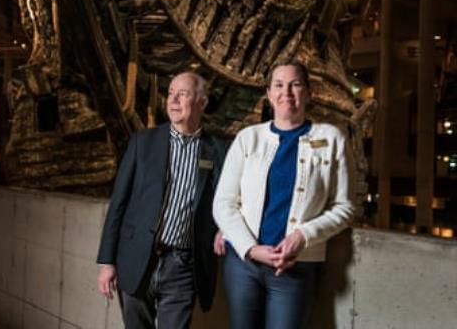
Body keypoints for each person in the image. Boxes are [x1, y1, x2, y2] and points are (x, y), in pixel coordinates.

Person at [213, 60, 358, 329]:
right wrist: (252, 249)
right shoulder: (248, 138)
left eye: (295, 85)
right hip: (244, 265)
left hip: (295, 267)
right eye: (278, 85)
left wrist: (303, 236)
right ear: (269, 94)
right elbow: (224, 204)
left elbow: (345, 207)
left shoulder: (332, 139)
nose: (286, 93)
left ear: (309, 93)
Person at [97, 72, 228, 328]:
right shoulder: (142, 142)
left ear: (202, 102)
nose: (173, 100)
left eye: (183, 94)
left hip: (183, 267)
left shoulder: (218, 150)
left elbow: (229, 199)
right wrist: (107, 262)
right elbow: (118, 204)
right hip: (137, 260)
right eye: (170, 93)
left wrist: (225, 227)